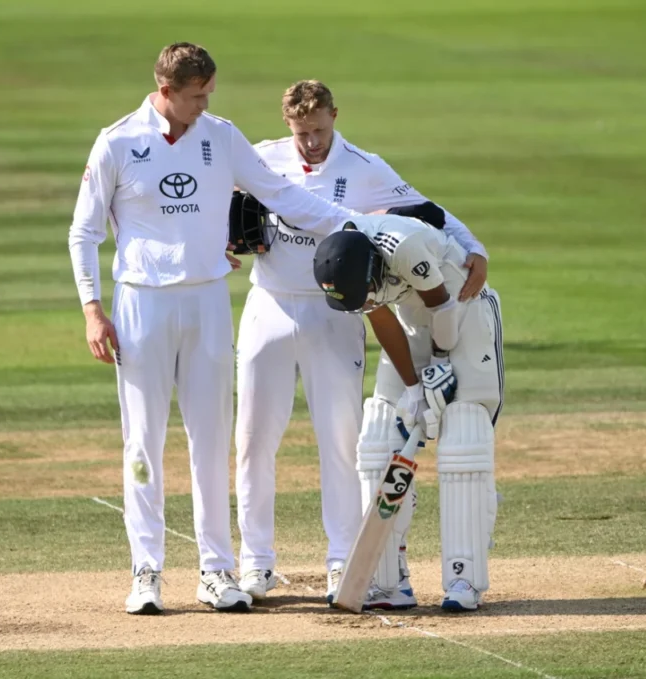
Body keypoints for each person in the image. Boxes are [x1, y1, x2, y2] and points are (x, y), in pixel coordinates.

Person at [68, 44, 361, 615]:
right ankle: (146, 572)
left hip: (206, 303)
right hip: (141, 305)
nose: (206, 104)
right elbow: (83, 233)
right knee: (142, 445)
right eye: (197, 95)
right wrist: (92, 309)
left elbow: (282, 195)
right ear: (167, 89)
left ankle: (216, 571)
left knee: (210, 444)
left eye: (209, 93)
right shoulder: (118, 141)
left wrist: (356, 225)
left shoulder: (220, 136)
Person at [233, 80, 489, 609]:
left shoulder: (364, 166)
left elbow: (427, 210)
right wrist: (224, 241)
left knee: (342, 441)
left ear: (334, 117)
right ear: (288, 124)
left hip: (336, 312)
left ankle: (341, 562)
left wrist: (473, 248)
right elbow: (219, 204)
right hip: (269, 305)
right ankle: (255, 563)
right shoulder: (262, 158)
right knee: (254, 439)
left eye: (320, 130)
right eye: (302, 133)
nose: (311, 143)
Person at [313, 214, 503, 611]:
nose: (364, 298)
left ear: (371, 267)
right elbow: (382, 320)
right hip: (415, 324)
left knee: (463, 434)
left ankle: (463, 578)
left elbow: (444, 309)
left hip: (464, 316)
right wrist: (415, 389)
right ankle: (386, 582)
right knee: (380, 436)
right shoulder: (345, 263)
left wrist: (438, 368)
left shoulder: (403, 246)